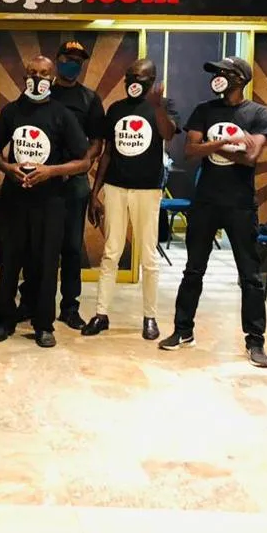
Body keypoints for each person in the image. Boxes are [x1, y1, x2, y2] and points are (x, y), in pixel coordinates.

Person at [159, 56, 267, 367]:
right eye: (216, 72)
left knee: (250, 276)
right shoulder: (204, 110)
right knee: (193, 270)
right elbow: (189, 151)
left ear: (241, 79)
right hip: (206, 202)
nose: (218, 77)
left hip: (240, 204)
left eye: (225, 72)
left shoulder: (259, 113)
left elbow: (251, 157)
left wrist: (212, 144)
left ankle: (255, 341)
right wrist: (230, 142)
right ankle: (182, 330)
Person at [0, 56, 90, 348]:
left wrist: (51, 172)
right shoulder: (12, 111)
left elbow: (83, 161)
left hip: (51, 201)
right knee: (10, 262)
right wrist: (7, 167)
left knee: (46, 264)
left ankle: (44, 325)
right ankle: (3, 320)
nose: (37, 78)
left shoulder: (62, 114)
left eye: (44, 73)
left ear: (52, 79)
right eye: (32, 73)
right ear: (25, 77)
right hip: (14, 200)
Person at [85, 59, 179, 340]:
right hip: (116, 187)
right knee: (111, 252)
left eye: (140, 77)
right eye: (129, 76)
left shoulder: (163, 106)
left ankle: (150, 317)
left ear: (152, 80)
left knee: (148, 255)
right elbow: (108, 152)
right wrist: (95, 192)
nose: (133, 82)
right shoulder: (116, 109)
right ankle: (101, 314)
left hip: (148, 190)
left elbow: (168, 134)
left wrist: (157, 105)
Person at [20, 41, 105, 330]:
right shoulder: (40, 92)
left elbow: (97, 143)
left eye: (78, 60)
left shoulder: (89, 99)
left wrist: (80, 164)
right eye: (68, 58)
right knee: (35, 246)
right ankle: (29, 301)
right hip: (39, 183)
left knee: (71, 247)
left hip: (74, 183)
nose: (73, 64)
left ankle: (70, 307)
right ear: (57, 61)